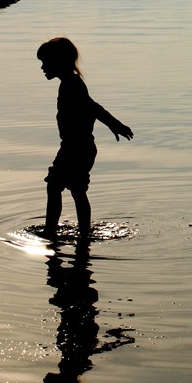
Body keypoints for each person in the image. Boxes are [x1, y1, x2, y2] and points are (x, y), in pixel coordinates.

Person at [37, 37, 133, 238]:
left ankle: (53, 232)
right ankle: (82, 233)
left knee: (58, 186)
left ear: (58, 61)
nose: (43, 67)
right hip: (78, 147)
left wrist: (115, 125)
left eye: (45, 62)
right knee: (73, 189)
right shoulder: (71, 83)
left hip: (76, 148)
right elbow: (94, 107)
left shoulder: (71, 85)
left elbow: (92, 108)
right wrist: (115, 125)